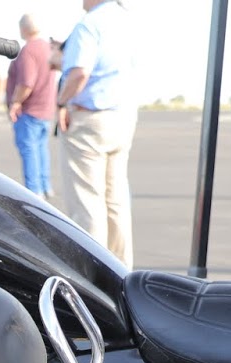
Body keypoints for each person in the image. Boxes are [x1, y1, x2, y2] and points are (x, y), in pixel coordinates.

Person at [56, 0, 137, 268]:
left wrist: (60, 101)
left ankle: (94, 274)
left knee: (87, 202)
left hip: (90, 119)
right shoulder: (126, 20)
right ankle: (122, 269)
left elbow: (80, 73)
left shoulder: (89, 25)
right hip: (121, 116)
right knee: (115, 201)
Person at [6, 13, 58, 198]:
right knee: (41, 149)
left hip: (30, 111)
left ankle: (34, 191)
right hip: (46, 109)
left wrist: (15, 102)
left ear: (23, 28)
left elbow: (27, 82)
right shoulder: (47, 48)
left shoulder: (28, 50)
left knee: (29, 150)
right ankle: (45, 185)